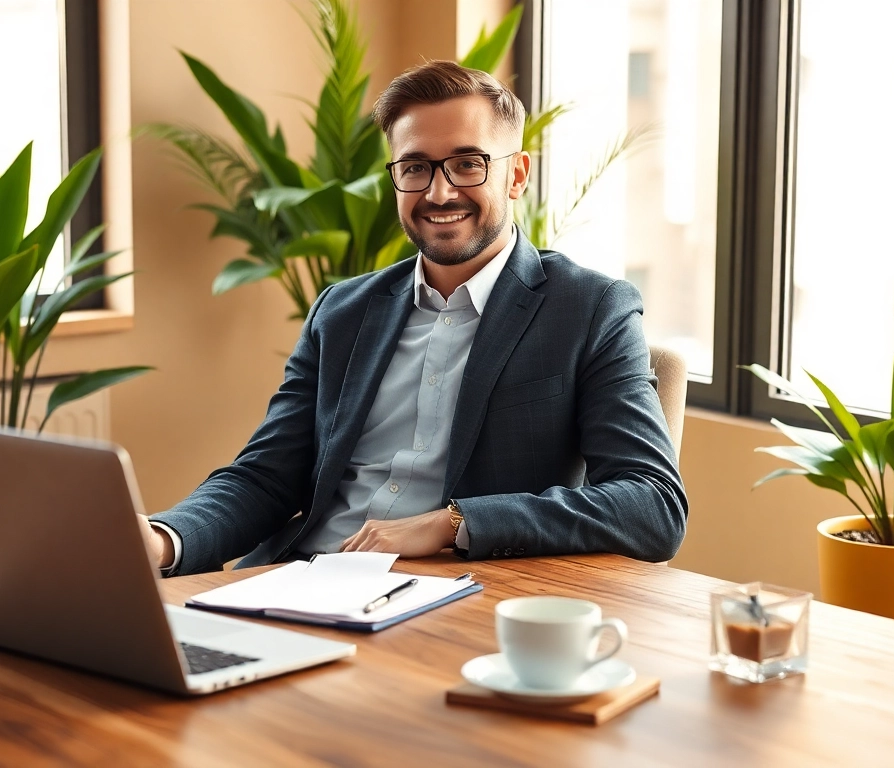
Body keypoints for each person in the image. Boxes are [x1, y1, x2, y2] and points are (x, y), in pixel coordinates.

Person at [142, 60, 687, 575]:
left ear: (516, 175)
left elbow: (651, 503)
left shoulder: (589, 309)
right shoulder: (341, 311)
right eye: (415, 167)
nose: (439, 190)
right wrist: (164, 538)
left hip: (444, 597)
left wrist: (455, 524)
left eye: (468, 163)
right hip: (293, 580)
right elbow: (265, 477)